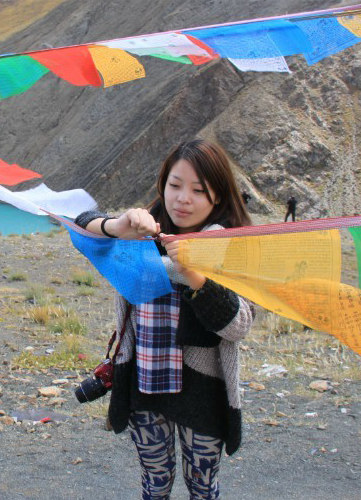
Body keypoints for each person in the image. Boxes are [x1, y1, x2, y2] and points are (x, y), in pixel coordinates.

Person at [75, 139, 255, 499]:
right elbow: (80, 227)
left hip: (203, 388)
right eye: (175, 185)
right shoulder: (141, 233)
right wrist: (117, 224)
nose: (182, 198)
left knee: (202, 487)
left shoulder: (231, 247)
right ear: (163, 185)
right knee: (154, 483)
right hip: (144, 379)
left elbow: (239, 324)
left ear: (217, 197)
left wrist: (194, 275)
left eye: (198, 190)